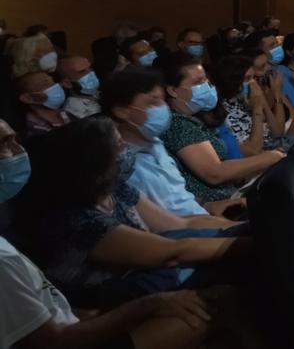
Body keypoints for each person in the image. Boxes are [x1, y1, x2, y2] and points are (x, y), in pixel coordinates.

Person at [0, 117, 212, 349]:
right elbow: (52, 341)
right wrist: (148, 305)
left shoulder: (115, 189)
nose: (18, 151)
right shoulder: (8, 256)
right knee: (193, 319)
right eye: (4, 144)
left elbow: (42, 310)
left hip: (79, 318)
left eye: (14, 139)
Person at [101, 69, 241, 219]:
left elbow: (175, 198)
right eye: (152, 102)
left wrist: (206, 205)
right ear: (122, 112)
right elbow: (168, 226)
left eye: (162, 100)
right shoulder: (123, 167)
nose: (163, 107)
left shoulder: (154, 142)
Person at [157, 52, 284, 205]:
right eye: (198, 82)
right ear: (172, 90)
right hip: (223, 202)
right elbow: (215, 173)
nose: (207, 86)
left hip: (234, 190)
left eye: (205, 79)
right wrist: (273, 157)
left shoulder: (196, 117)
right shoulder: (177, 124)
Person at [14, 71, 71, 136]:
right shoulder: (34, 132)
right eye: (45, 84)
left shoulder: (69, 111)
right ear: (27, 98)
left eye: (52, 81)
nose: (55, 86)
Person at [56, 55, 103, 120]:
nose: (91, 73)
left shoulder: (98, 93)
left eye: (90, 68)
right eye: (82, 72)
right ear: (67, 83)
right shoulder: (76, 114)